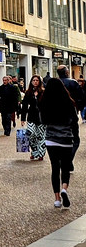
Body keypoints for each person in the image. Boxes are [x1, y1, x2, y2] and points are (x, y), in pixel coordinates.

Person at [40, 76, 79, 209]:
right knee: (66, 166)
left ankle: (57, 199)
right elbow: (74, 120)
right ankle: (64, 189)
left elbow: (43, 121)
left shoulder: (45, 102)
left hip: (51, 139)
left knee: (55, 168)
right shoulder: (68, 102)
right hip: (66, 139)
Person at [57, 65, 84, 159]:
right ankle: (69, 159)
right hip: (71, 114)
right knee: (75, 138)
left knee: (58, 139)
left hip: (56, 116)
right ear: (66, 72)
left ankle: (63, 158)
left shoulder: (54, 83)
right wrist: (78, 109)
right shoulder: (73, 83)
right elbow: (81, 98)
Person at [20, 74, 46, 161]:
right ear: (31, 82)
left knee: (41, 136)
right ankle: (35, 151)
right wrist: (23, 118)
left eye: (37, 80)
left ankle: (41, 153)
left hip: (42, 117)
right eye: (34, 80)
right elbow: (24, 106)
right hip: (31, 116)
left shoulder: (43, 92)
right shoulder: (28, 92)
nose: (35, 82)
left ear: (40, 82)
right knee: (31, 134)